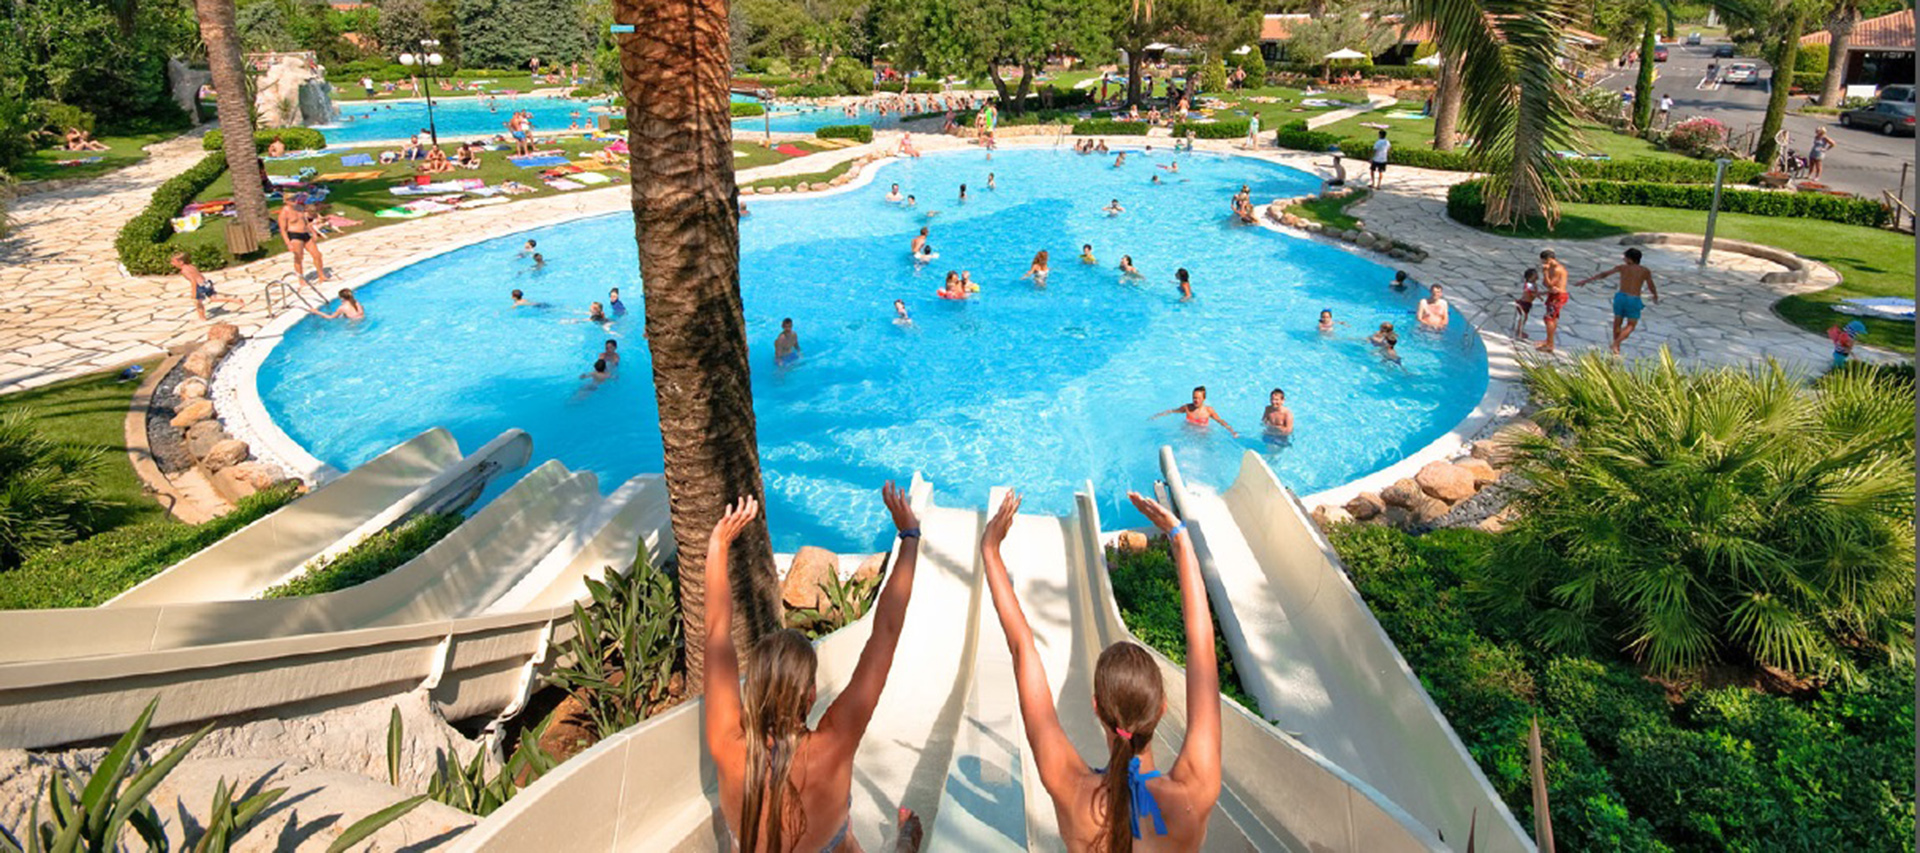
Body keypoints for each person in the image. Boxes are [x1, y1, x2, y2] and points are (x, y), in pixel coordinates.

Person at [977, 489, 1221, 853]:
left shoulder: (1072, 789)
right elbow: (1202, 646)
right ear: (1162, 708)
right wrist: (1180, 540)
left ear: (1097, 707)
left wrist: (990, 552)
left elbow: (1022, 649)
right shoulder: (1194, 791)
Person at [701, 489, 925, 853]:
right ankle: (903, 844)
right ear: (810, 694)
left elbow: (715, 633)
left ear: (752, 690)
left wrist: (718, 545)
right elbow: (886, 630)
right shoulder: (835, 743)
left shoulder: (726, 743)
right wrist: (909, 538)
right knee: (845, 839)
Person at [1574, 247, 1660, 355]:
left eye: (1625, 257)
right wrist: (1655, 295)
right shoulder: (1645, 271)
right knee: (1631, 325)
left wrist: (1586, 281)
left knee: (1617, 323)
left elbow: (1604, 274)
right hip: (1634, 299)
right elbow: (1651, 285)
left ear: (1630, 259)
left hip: (1620, 297)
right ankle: (1616, 343)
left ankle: (1616, 348)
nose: (1623, 259)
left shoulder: (1622, 268)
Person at [170, 252, 247, 321]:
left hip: (200, 286)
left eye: (173, 262)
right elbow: (200, 275)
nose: (172, 264)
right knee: (214, 299)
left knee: (197, 302)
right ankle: (235, 300)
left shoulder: (184, 271)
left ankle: (202, 318)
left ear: (181, 262)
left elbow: (193, 281)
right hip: (206, 283)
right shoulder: (191, 266)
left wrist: (193, 293)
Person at [1153, 386, 1237, 436]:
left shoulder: (1208, 410)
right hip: (1187, 434)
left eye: (1199, 398)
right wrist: (1157, 415)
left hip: (1202, 436)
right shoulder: (1187, 408)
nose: (1196, 400)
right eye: (1194, 398)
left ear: (1204, 399)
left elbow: (1220, 421)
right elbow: (1173, 411)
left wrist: (1231, 431)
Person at [278, 199, 328, 284]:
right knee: (299, 258)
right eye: (291, 199)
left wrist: (313, 233)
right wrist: (288, 243)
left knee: (317, 255)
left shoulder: (300, 208)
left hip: (305, 234)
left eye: (295, 198)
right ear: (286, 201)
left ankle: (321, 275)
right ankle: (301, 279)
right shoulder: (284, 212)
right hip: (294, 235)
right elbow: (283, 230)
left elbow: (306, 222)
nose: (294, 201)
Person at [1537, 249, 1569, 354]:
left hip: (1558, 296)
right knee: (1553, 318)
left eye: (1544, 261)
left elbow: (1550, 284)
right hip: (1553, 295)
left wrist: (1545, 273)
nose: (1543, 264)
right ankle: (1548, 341)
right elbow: (1546, 284)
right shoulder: (1552, 268)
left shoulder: (1557, 269)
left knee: (1548, 318)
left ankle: (1550, 344)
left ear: (1549, 260)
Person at [1513, 268, 1541, 340]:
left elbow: (1534, 293)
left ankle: (1519, 330)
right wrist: (1546, 293)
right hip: (1524, 303)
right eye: (1535, 275)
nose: (1537, 275)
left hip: (1527, 304)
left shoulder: (1532, 284)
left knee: (1524, 317)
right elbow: (1532, 294)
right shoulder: (1529, 285)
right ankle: (1519, 332)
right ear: (1530, 277)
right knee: (1523, 318)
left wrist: (1539, 296)